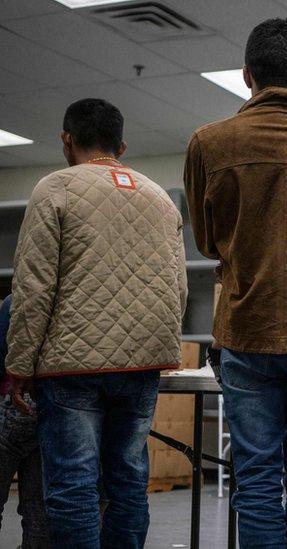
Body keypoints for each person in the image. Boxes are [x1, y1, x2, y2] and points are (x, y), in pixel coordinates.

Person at [183, 18, 287, 547]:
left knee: (256, 477)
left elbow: (208, 241)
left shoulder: (208, 143)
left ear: (246, 76)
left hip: (246, 327)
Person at [5, 98, 187, 548]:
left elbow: (34, 287)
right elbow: (178, 289)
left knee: (74, 488)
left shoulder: (56, 187)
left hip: (73, 367)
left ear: (67, 140)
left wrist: (20, 364)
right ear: (121, 145)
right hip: (141, 367)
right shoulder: (160, 197)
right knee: (127, 483)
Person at [0, 294, 49, 549]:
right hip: (51, 408)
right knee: (37, 511)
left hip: (11, 405)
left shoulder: (14, 302)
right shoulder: (70, 302)